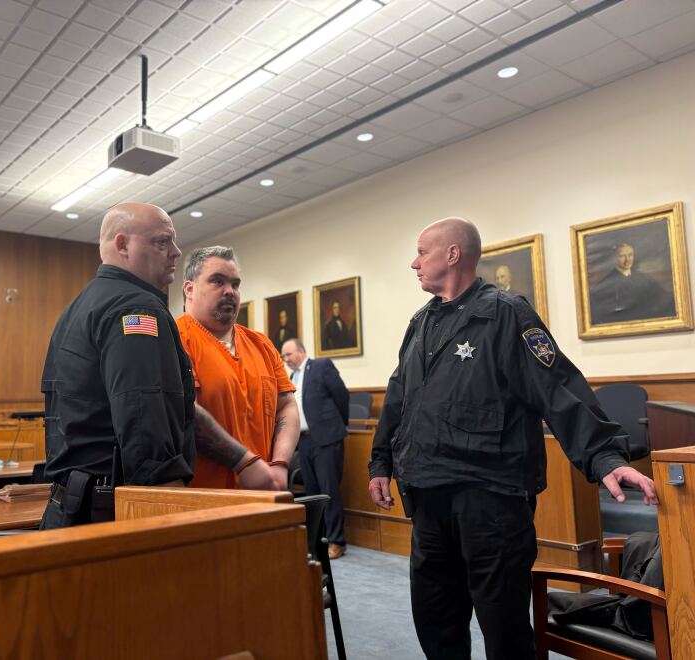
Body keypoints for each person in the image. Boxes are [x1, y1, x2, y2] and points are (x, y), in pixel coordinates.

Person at [368, 217, 657, 660]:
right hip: (427, 496)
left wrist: (605, 457)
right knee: (435, 620)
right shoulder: (420, 323)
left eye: (422, 251)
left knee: (503, 628)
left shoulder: (505, 313)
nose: (414, 262)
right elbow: (398, 397)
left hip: (491, 501)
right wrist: (381, 463)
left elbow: (558, 387)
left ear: (452, 254)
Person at [40, 203, 198, 529]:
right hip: (113, 512)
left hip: (69, 506)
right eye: (162, 242)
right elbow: (144, 414)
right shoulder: (136, 307)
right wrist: (173, 510)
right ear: (123, 245)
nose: (176, 252)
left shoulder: (79, 306)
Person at [177, 246, 299, 490]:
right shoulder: (176, 339)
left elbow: (286, 406)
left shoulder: (260, 344)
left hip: (265, 494)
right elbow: (184, 413)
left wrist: (279, 464)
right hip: (206, 500)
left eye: (235, 284)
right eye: (217, 281)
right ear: (189, 290)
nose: (230, 292)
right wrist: (245, 464)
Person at [281, 338, 349, 558]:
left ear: (301, 351)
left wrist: (337, 426)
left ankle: (337, 541)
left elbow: (342, 396)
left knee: (329, 491)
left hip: (326, 439)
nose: (286, 359)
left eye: (288, 354)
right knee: (312, 493)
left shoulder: (320, 366)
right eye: (284, 356)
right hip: (305, 441)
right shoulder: (292, 377)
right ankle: (318, 540)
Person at [590, 242, 675, 325]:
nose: (627, 259)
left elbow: (661, 296)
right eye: (622, 256)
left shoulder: (644, 278)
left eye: (630, 255)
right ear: (614, 259)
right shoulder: (605, 285)